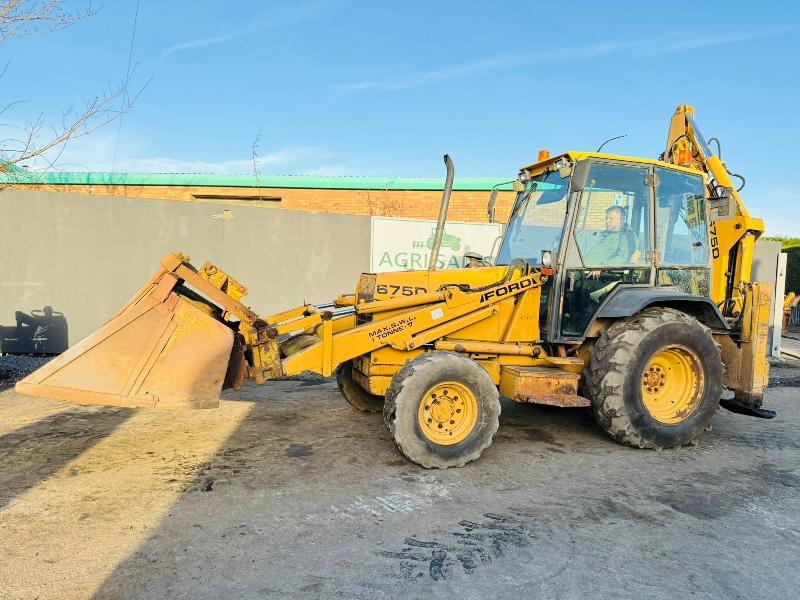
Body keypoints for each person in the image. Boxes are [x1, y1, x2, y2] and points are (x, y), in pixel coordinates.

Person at [586, 205, 639, 279]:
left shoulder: (628, 237)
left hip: (603, 275)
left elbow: (622, 258)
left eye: (611, 218)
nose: (607, 221)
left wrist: (600, 266)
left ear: (621, 219)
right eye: (606, 218)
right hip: (584, 268)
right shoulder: (603, 234)